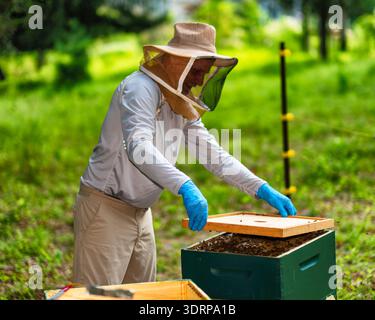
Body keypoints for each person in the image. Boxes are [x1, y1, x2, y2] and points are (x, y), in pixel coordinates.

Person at [72, 22, 297, 286]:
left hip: (141, 213)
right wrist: (185, 185)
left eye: (206, 72)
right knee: (98, 295)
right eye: (198, 71)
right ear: (180, 63)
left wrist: (261, 188)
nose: (201, 80)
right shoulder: (139, 88)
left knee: (140, 295)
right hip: (105, 208)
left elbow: (214, 155)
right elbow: (138, 146)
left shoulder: (180, 101)